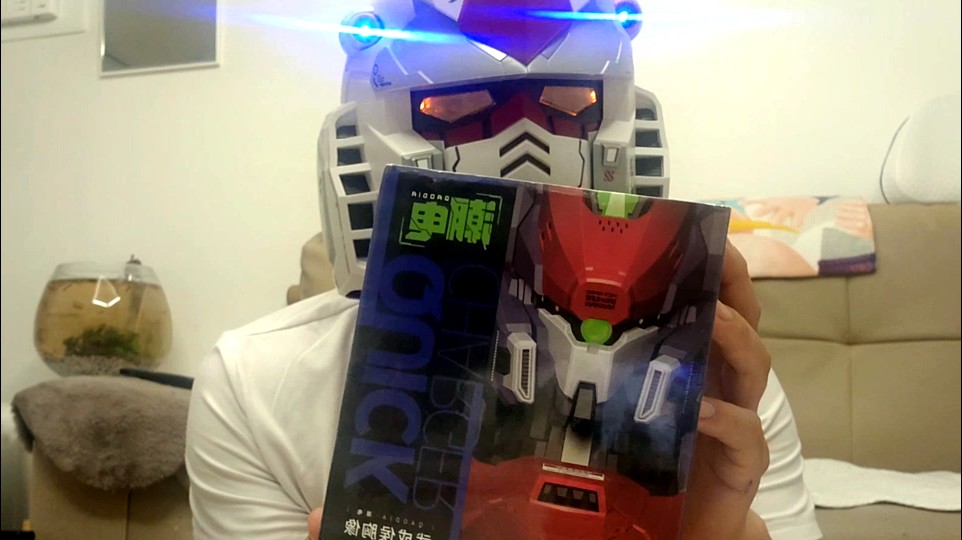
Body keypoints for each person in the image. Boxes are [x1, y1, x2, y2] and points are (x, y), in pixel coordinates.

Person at [186, 1, 822, 538]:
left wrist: (713, 527)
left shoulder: (716, 388)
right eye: (457, 108)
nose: (526, 144)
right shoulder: (255, 387)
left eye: (568, 103)